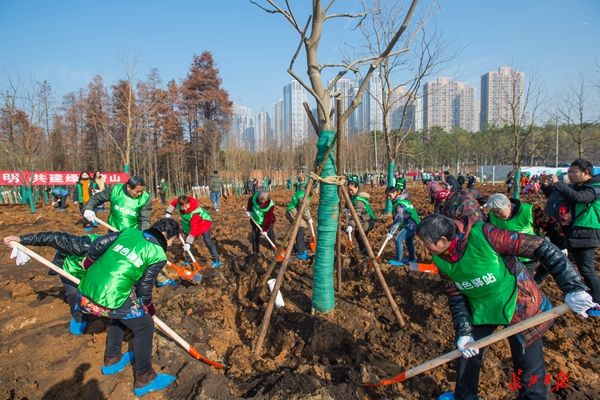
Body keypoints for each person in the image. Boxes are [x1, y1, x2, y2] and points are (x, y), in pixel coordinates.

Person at [416, 214, 598, 400]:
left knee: (527, 367)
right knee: (466, 355)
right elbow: (456, 297)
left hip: (519, 304)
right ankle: (465, 396)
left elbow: (541, 247)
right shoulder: (440, 258)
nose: (424, 248)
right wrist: (464, 330)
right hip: (481, 308)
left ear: (443, 240)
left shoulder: (486, 235)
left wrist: (573, 287)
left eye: (426, 243)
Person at [74, 218, 180, 396]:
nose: (170, 244)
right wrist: (149, 309)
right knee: (145, 325)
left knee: (124, 311)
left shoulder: (129, 232)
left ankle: (112, 358)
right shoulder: (158, 254)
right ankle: (145, 377)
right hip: (106, 298)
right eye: (171, 240)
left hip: (85, 290)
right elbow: (144, 289)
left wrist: (89, 261)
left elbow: (99, 242)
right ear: (164, 235)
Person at [3, 231, 100, 335]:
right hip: (70, 268)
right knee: (73, 293)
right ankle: (78, 317)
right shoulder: (80, 244)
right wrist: (21, 239)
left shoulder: (113, 258)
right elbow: (50, 238)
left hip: (93, 272)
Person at [549, 158, 600, 304]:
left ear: (586, 173)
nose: (570, 174)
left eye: (574, 171)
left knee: (587, 270)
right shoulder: (579, 186)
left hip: (587, 231)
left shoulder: (595, 187)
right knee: (581, 269)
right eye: (569, 171)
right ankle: (591, 296)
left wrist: (558, 184)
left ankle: (597, 300)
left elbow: (580, 198)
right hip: (576, 232)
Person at [165, 195, 220, 268]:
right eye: (183, 206)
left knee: (207, 240)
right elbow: (173, 203)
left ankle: (216, 260)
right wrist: (168, 213)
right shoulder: (179, 203)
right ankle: (189, 260)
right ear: (180, 205)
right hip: (188, 223)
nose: (185, 208)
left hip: (203, 222)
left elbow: (194, 230)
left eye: (186, 205)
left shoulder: (195, 213)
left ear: (189, 203)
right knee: (185, 241)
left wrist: (188, 243)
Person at [83, 176, 152, 231]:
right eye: (137, 191)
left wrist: (143, 234)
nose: (140, 194)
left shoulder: (145, 198)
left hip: (131, 234)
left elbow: (144, 219)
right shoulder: (116, 190)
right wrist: (88, 208)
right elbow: (97, 197)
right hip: (113, 231)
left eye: (142, 191)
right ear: (128, 187)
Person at [385, 186, 419, 266]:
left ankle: (399, 260)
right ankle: (412, 259)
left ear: (395, 193)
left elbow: (398, 219)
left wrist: (391, 231)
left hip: (410, 224)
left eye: (390, 196)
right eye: (387, 196)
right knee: (409, 241)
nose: (389, 198)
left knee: (398, 239)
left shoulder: (399, 204)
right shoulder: (402, 200)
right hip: (414, 222)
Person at [345, 181, 376, 255]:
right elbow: (349, 202)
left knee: (360, 234)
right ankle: (363, 250)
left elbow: (356, 215)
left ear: (357, 188)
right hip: (363, 218)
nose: (350, 192)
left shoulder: (359, 201)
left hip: (368, 220)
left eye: (352, 190)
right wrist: (346, 208)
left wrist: (351, 225)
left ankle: (366, 251)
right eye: (349, 190)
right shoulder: (353, 196)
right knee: (358, 234)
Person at [285, 184, 315, 260]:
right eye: (314, 189)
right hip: (292, 210)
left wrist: (309, 217)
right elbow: (304, 209)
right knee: (301, 229)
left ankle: (297, 248)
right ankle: (300, 252)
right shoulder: (303, 196)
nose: (315, 191)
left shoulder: (306, 193)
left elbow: (306, 208)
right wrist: (309, 218)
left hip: (297, 210)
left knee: (302, 227)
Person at [246, 191, 276, 257]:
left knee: (270, 234)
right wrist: (249, 210)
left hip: (267, 221)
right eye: (261, 200)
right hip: (256, 220)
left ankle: (273, 250)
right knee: (255, 235)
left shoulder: (270, 205)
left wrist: (265, 229)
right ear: (258, 198)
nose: (262, 202)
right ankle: (255, 251)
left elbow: (268, 217)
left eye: (264, 200)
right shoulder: (254, 197)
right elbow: (250, 202)